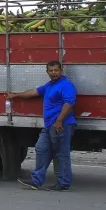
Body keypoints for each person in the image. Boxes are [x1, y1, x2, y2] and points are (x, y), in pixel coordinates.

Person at [6, 60, 76, 191]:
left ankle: (63, 184)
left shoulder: (66, 85)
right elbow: (34, 92)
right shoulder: (49, 85)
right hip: (49, 125)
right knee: (41, 149)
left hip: (61, 125)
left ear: (61, 71)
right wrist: (15, 96)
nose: (54, 73)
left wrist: (59, 120)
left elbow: (69, 104)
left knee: (61, 154)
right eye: (51, 71)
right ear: (47, 72)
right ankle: (36, 181)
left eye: (56, 70)